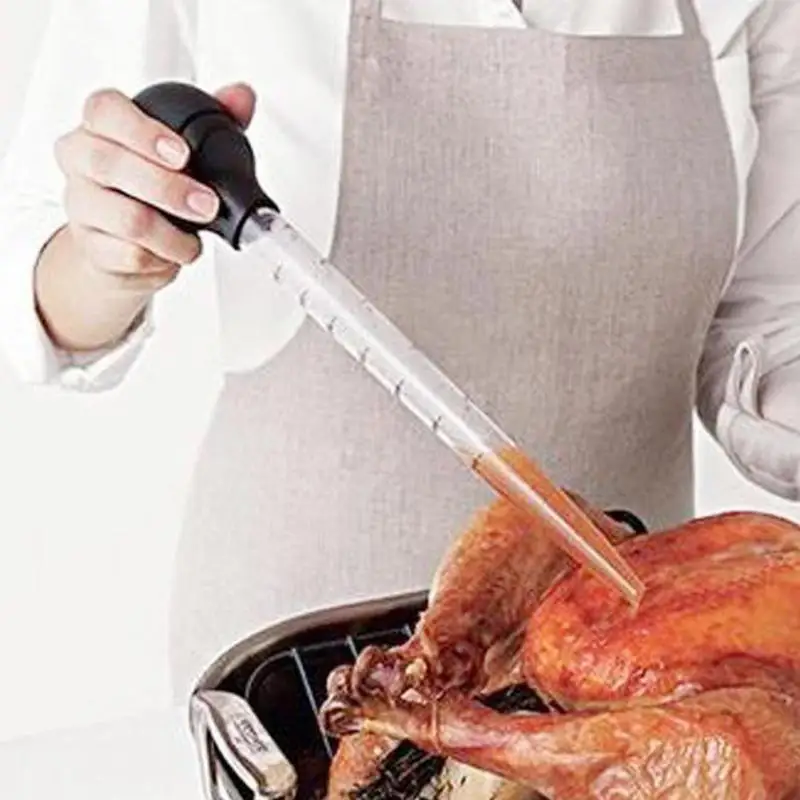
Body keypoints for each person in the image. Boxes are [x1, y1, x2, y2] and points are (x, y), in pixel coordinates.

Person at [0, 0, 798, 702]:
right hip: (299, 677)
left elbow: (771, 328)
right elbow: (33, 282)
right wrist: (107, 253)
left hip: (634, 674)